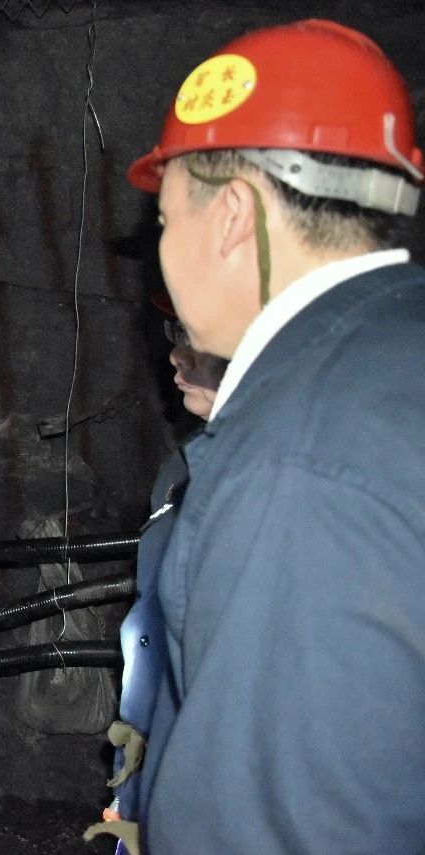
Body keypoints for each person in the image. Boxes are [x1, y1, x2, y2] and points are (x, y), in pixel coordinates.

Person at [127, 19, 425, 850]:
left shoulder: (294, 467)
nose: (159, 250)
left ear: (231, 216)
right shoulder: (397, 350)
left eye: (163, 221)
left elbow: (270, 822)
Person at [88, 301, 227, 854]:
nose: (175, 353)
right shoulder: (183, 469)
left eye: (196, 333)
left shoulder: (285, 488)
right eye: (177, 331)